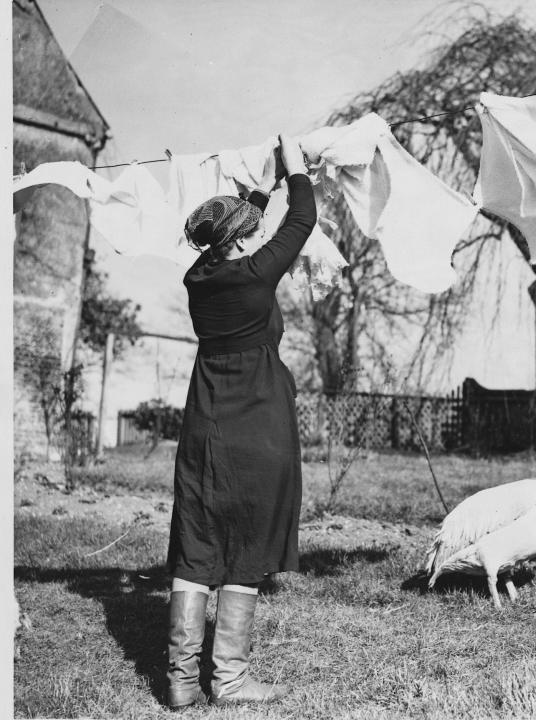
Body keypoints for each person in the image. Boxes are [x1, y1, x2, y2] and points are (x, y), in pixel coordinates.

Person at [165, 134, 316, 709]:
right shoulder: (256, 276)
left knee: (196, 544)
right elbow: (302, 218)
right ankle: (227, 681)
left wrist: (262, 188)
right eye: (250, 230)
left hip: (204, 427)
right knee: (248, 546)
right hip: (259, 429)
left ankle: (180, 682)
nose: (258, 234)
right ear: (240, 242)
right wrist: (296, 171)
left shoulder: (198, 281)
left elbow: (224, 235)